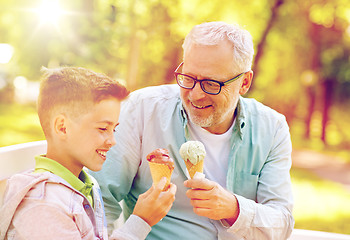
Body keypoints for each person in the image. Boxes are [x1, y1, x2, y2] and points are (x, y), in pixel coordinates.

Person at [91, 21, 294, 239]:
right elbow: (100, 201)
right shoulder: (142, 110)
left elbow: (282, 222)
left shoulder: (272, 128)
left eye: (211, 84)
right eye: (188, 78)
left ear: (244, 82)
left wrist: (234, 209)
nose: (195, 95)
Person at [0, 67, 176, 240]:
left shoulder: (85, 184)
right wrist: (141, 221)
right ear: (62, 127)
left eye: (114, 129)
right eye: (102, 128)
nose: (112, 140)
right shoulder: (43, 207)